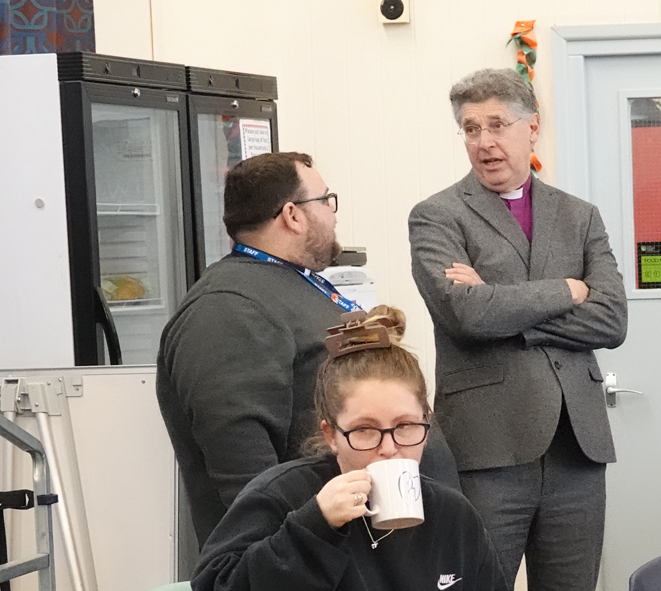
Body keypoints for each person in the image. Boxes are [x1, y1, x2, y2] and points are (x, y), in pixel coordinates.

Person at [409, 68, 627, 591]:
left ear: (532, 124)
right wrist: (565, 292)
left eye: (498, 125)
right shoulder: (437, 216)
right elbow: (465, 313)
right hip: (486, 450)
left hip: (575, 450)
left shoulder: (578, 216)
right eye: (471, 129)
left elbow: (611, 318)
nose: (485, 142)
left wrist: (510, 309)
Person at [193, 307, 510, 591]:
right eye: (364, 430)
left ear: (427, 424)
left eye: (406, 426)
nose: (389, 447)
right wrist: (313, 527)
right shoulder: (283, 496)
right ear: (331, 434)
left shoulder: (453, 516)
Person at [158, 151, 457, 541]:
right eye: (326, 201)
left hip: (382, 547)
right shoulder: (226, 309)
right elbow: (245, 478)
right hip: (316, 561)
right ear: (293, 215)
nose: (333, 214)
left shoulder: (290, 283)